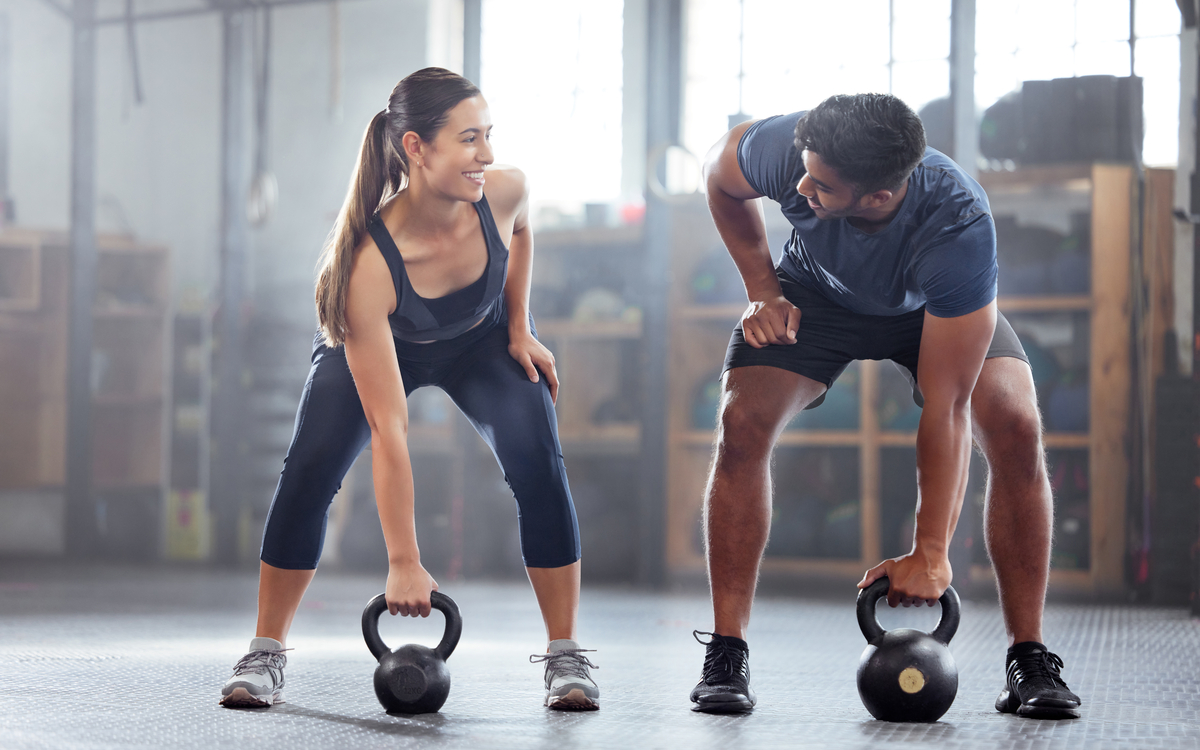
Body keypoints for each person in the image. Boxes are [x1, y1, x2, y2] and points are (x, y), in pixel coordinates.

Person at [219, 67, 599, 712]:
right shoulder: (368, 264)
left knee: (539, 459)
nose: (488, 154)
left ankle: (565, 655)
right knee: (309, 470)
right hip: (381, 343)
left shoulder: (505, 191)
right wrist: (404, 560)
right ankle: (265, 650)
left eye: (489, 135)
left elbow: (521, 232)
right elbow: (389, 430)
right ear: (416, 148)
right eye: (470, 139)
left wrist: (519, 326)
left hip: (479, 341)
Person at [690, 93, 1080, 719]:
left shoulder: (957, 223)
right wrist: (762, 290)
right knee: (741, 422)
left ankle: (1028, 658)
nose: (801, 190)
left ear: (877, 196)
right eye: (804, 173)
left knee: (1016, 425)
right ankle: (726, 654)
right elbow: (720, 174)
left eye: (821, 187)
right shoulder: (794, 148)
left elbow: (947, 406)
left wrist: (931, 551)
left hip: (930, 311)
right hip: (812, 295)